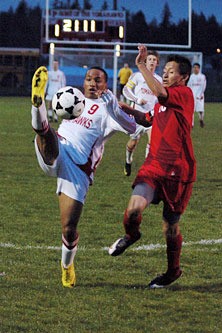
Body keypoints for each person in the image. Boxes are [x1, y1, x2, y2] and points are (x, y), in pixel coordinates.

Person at [31, 65, 137, 288]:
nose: (92, 83)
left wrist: (115, 110)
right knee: (46, 133)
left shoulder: (108, 109)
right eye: (89, 79)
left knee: (69, 229)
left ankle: (67, 266)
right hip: (59, 148)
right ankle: (37, 105)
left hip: (78, 169)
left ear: (105, 85)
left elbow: (133, 128)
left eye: (98, 80)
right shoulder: (73, 97)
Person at [109, 44, 196, 289]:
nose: (166, 74)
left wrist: (139, 65)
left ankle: (172, 271)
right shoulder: (162, 101)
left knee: (170, 226)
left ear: (184, 77)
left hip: (178, 172)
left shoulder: (184, 94)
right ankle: (132, 235)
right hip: (154, 165)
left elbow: (159, 94)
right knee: (134, 208)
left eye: (170, 71)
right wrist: (123, 107)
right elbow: (147, 118)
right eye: (164, 71)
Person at [122, 51, 162, 176]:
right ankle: (128, 161)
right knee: (133, 143)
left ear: (157, 63)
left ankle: (147, 169)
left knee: (152, 142)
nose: (151, 61)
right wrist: (137, 100)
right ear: (145, 62)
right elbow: (126, 90)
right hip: (137, 116)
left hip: (152, 116)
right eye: (149, 59)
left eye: (154, 59)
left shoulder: (159, 80)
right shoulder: (137, 76)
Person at [187, 63, 207, 128]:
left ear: (199, 68)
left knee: (200, 109)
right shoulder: (191, 76)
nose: (195, 69)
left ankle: (201, 119)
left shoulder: (202, 76)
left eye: (196, 68)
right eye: (194, 67)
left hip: (200, 96)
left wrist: (201, 94)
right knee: (191, 110)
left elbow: (203, 86)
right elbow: (189, 86)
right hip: (192, 95)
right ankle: (191, 124)